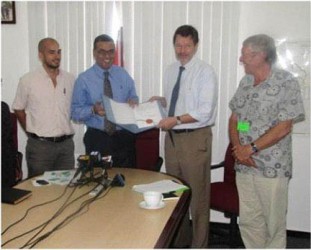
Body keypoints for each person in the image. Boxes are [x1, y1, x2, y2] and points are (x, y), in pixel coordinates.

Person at [229, 34, 305, 248]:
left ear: (261, 55)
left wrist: (250, 149)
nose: (241, 59)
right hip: (244, 166)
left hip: (272, 167)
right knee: (249, 221)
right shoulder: (245, 82)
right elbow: (235, 119)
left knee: (274, 224)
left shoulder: (286, 82)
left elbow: (284, 127)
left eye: (245, 55)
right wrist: (238, 149)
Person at [150, 25, 218, 248]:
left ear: (196, 45)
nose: (182, 50)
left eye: (187, 45)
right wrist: (161, 101)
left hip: (194, 139)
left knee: (197, 199)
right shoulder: (171, 70)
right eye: (178, 45)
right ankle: (180, 243)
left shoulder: (205, 72)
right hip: (172, 140)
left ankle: (199, 246)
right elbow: (176, 103)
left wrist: (177, 119)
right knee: (175, 196)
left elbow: (204, 111)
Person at [71, 34, 138, 167]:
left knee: (128, 180)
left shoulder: (123, 75)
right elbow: (75, 113)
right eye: (102, 52)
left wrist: (133, 101)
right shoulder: (84, 79)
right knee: (99, 180)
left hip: (124, 137)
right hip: (98, 138)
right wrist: (93, 110)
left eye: (111, 51)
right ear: (94, 53)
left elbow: (134, 97)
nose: (107, 56)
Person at [12, 38, 75, 178]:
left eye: (59, 52)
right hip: (40, 148)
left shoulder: (70, 79)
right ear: (41, 55)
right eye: (51, 52)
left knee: (66, 191)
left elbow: (72, 108)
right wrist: (31, 131)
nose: (57, 56)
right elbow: (18, 108)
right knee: (40, 191)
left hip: (66, 147)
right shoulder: (28, 80)